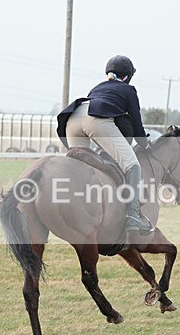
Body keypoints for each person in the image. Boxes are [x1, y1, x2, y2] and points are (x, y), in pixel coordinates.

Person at [57, 55, 154, 235]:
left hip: (72, 119)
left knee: (81, 164)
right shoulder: (129, 90)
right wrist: (144, 143)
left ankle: (72, 203)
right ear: (128, 76)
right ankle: (133, 216)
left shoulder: (97, 87)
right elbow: (136, 122)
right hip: (96, 119)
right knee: (133, 165)